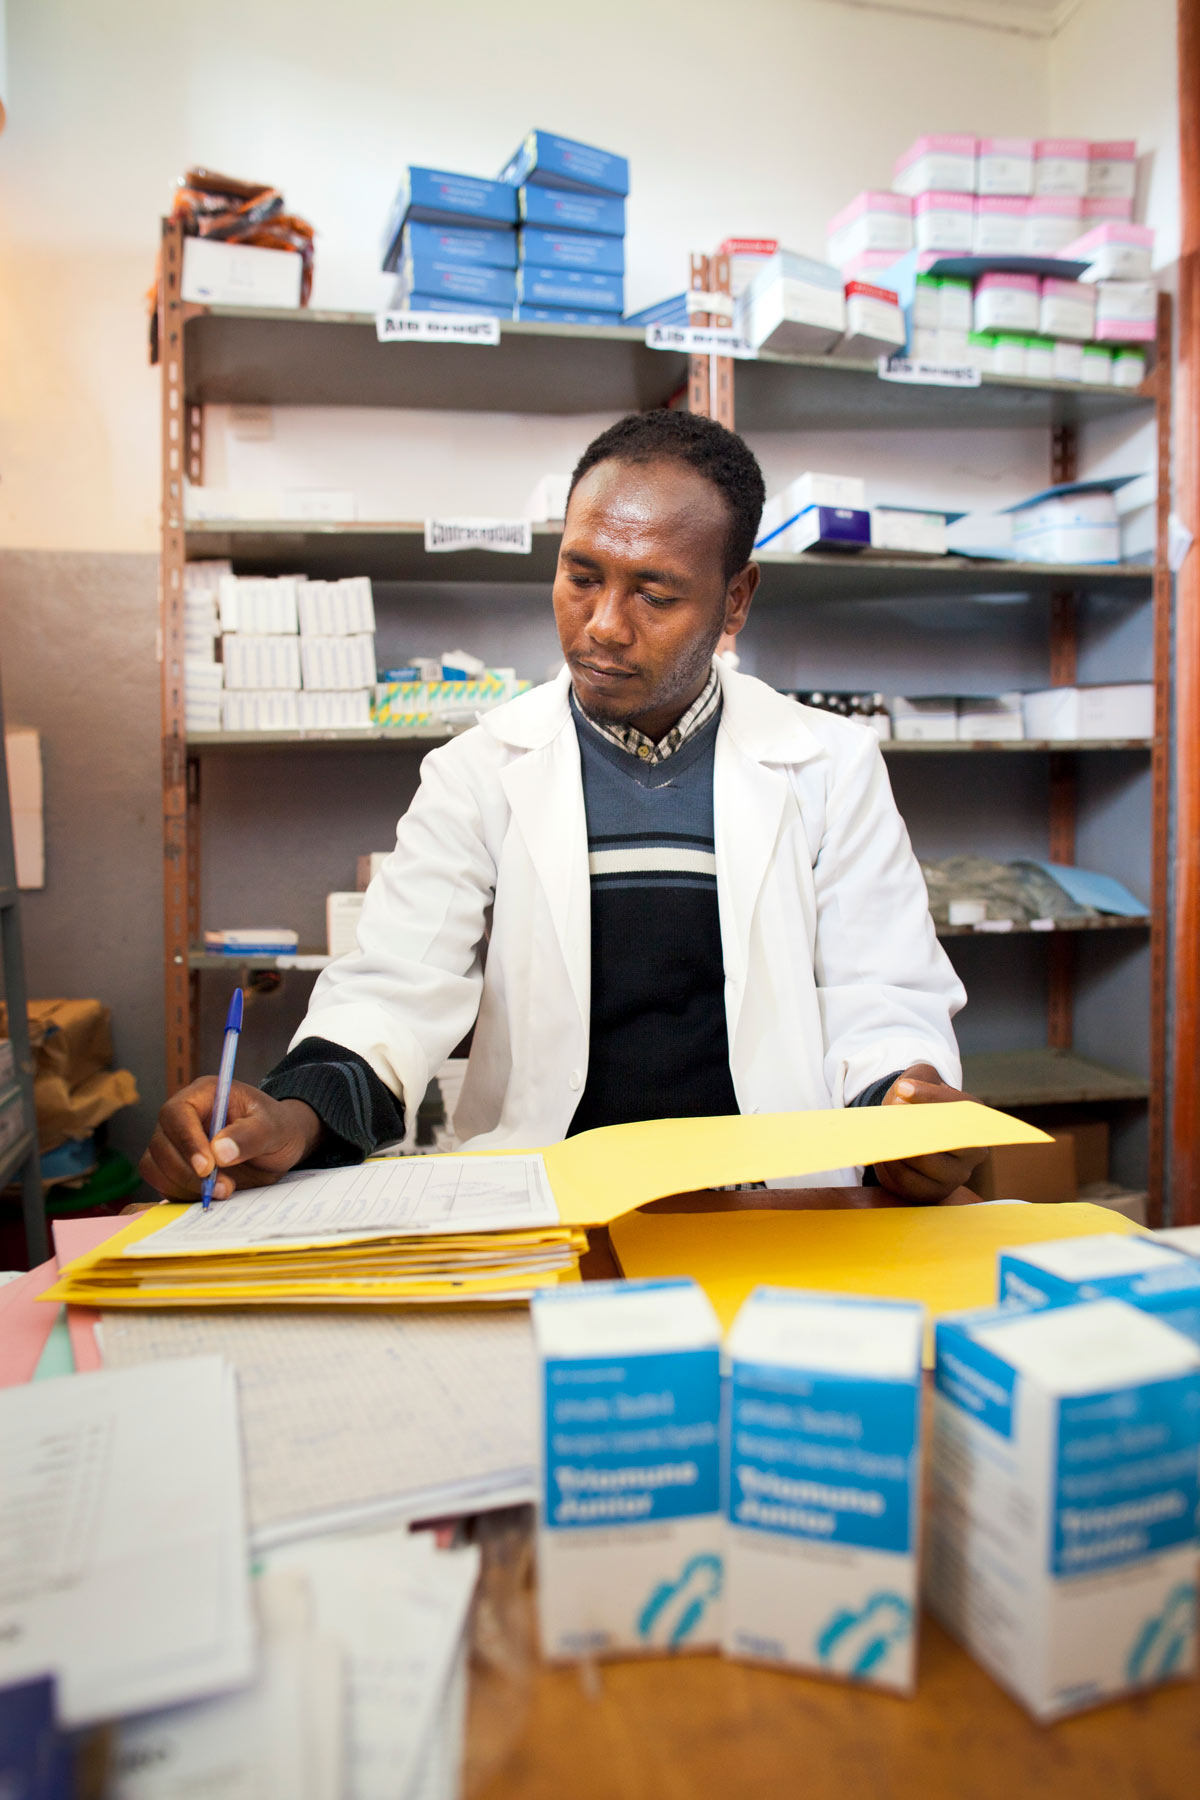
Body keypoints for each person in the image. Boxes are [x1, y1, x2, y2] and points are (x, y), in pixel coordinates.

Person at [141, 410, 982, 1207]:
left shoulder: (828, 766)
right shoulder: (479, 770)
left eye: (654, 594)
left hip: (769, 1206)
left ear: (736, 599)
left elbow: (881, 994)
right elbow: (392, 990)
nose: (603, 626)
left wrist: (901, 1104)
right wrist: (289, 1115)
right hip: (544, 1207)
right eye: (582, 576)